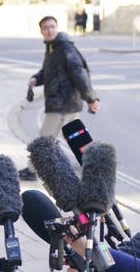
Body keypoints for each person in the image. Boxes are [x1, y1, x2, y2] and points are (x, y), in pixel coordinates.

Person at [18, 16, 100, 181]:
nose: (49, 30)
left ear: (57, 28)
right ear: (41, 31)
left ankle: (32, 170)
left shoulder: (64, 49)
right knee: (75, 136)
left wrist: (91, 98)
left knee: (44, 139)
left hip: (62, 103)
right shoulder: (52, 48)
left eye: (52, 27)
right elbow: (49, 72)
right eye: (46, 28)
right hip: (65, 102)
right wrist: (36, 78)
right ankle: (95, 165)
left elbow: (80, 74)